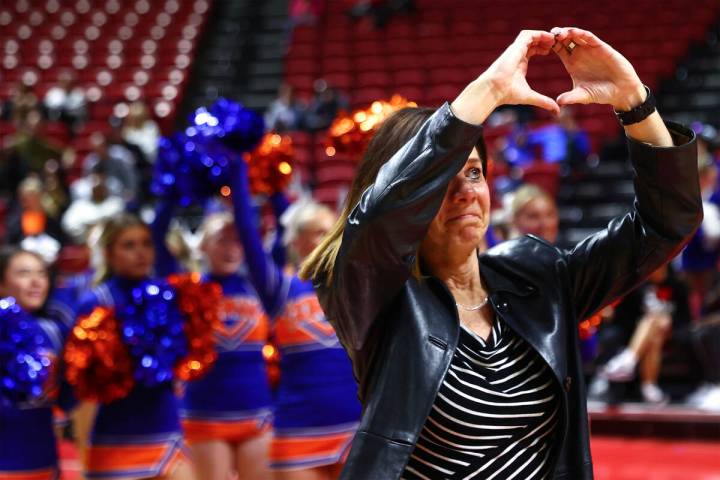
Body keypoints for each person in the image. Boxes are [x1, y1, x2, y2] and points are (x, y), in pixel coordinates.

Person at [299, 27, 702, 479]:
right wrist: (488, 90)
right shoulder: (373, 295)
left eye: (473, 173)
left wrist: (634, 102)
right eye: (442, 179)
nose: (464, 193)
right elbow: (378, 220)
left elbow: (667, 223)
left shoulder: (541, 281)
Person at [227, 160, 362, 479]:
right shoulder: (281, 288)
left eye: (332, 231)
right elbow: (248, 235)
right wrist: (237, 166)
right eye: (318, 232)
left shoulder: (357, 284)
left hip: (357, 431)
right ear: (296, 241)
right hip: (299, 433)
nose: (329, 239)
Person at [152, 184, 276, 480]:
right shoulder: (188, 288)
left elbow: (275, 231)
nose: (231, 248)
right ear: (202, 246)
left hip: (257, 413)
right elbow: (157, 237)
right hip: (205, 415)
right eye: (222, 240)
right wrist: (173, 187)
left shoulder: (261, 286)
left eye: (237, 241)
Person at [72, 214, 196, 480]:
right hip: (116, 440)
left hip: (166, 431)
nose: (140, 252)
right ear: (108, 253)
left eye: (146, 244)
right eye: (128, 245)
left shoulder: (165, 295)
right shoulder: (95, 304)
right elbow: (83, 392)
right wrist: (84, 452)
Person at [0, 248, 71, 479]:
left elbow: (68, 399)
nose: (35, 282)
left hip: (44, 461)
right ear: (1, 283)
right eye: (23, 273)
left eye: (41, 273)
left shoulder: (55, 331)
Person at [595, 264, 692, 404]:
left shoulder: (678, 286)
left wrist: (670, 321)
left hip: (671, 332)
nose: (654, 270)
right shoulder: (639, 286)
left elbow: (685, 318)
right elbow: (628, 315)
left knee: (656, 320)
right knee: (653, 329)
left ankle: (629, 359)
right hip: (648, 334)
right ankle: (649, 387)